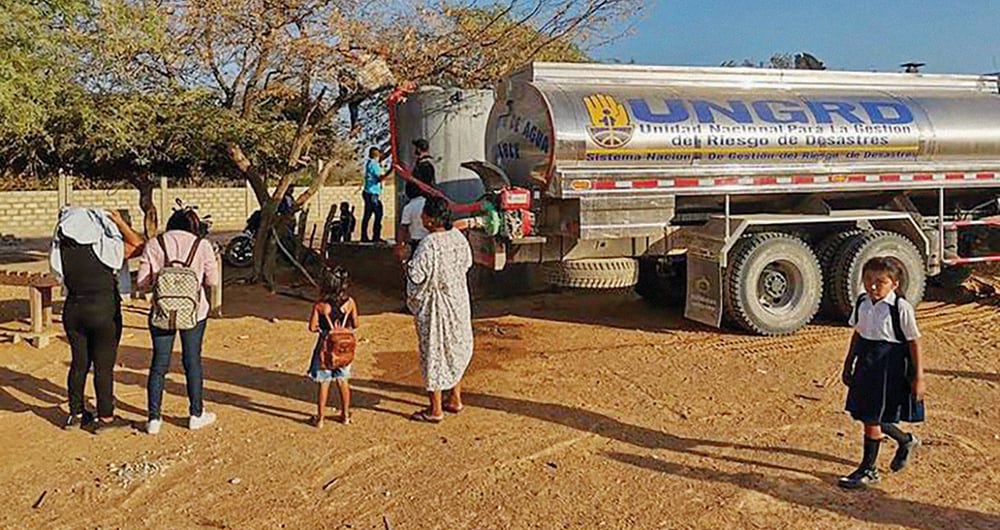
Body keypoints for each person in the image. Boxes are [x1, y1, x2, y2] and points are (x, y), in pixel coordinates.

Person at [50, 207, 143, 432]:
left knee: (79, 362)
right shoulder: (105, 248)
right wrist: (120, 223)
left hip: (73, 310)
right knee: (103, 365)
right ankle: (106, 418)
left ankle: (76, 413)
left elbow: (57, 273)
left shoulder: (61, 248)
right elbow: (138, 245)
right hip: (104, 310)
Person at [838, 256, 925, 489]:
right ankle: (905, 440)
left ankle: (869, 469)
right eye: (868, 280)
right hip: (867, 362)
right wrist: (849, 363)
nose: (873, 286)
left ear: (894, 284)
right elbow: (857, 333)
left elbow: (914, 342)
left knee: (872, 416)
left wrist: (918, 377)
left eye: (880, 282)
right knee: (867, 413)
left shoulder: (900, 308)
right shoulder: (862, 302)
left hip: (890, 365)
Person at [138, 208, 220, 435]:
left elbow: (142, 282)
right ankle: (196, 413)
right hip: (195, 312)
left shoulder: (155, 244)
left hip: (161, 311)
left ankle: (153, 419)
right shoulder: (202, 246)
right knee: (192, 361)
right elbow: (212, 281)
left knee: (158, 364)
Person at [406, 196, 474, 423]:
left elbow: (417, 275)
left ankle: (435, 409)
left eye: (425, 214)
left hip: (436, 306)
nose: (422, 217)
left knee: (434, 350)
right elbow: (467, 264)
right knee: (454, 347)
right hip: (458, 301)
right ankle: (455, 398)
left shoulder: (429, 244)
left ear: (432, 219)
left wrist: (405, 262)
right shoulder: (458, 238)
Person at [306, 267, 358, 427]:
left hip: (326, 346)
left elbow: (312, 327)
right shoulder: (350, 303)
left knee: (324, 382)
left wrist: (325, 329)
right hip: (343, 348)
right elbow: (356, 324)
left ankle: (320, 419)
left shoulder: (320, 306)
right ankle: (345, 416)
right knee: (343, 380)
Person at [361, 147, 390, 243]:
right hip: (372, 193)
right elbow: (379, 178)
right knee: (378, 214)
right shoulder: (374, 165)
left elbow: (384, 156)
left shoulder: (372, 163)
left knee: (368, 215)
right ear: (377, 155)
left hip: (369, 192)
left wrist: (390, 151)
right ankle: (375, 237)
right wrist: (391, 170)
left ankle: (365, 236)